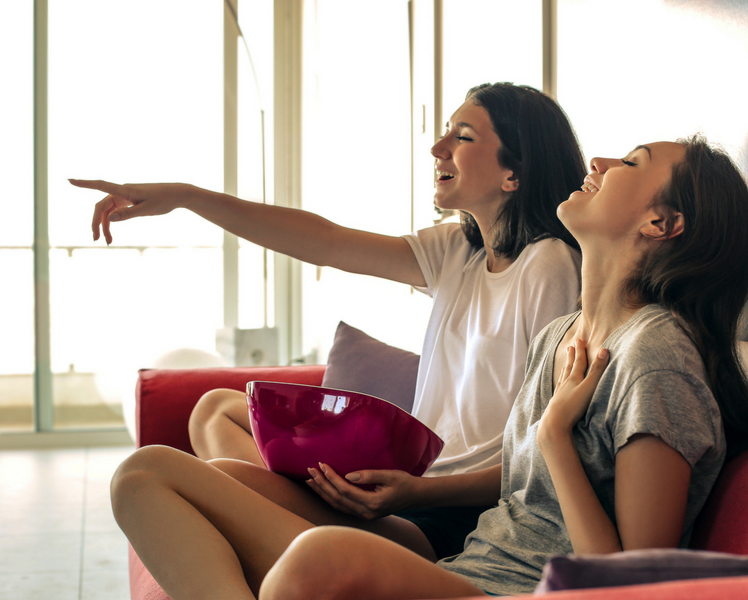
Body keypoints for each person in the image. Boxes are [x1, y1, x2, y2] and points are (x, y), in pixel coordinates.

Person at [109, 136, 748, 600]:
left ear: (662, 223)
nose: (600, 162)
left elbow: (631, 586)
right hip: (464, 568)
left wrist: (554, 436)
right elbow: (325, 238)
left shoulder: (656, 356)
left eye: (630, 163)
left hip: (516, 591)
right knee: (146, 474)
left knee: (321, 557)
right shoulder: (563, 333)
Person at [72, 82, 586, 561]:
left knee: (179, 479)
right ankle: (294, 550)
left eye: (463, 135)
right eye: (447, 130)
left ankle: (295, 553)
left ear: (513, 173)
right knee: (216, 411)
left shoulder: (549, 264)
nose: (438, 147)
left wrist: (414, 492)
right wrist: (187, 198)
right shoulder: (459, 251)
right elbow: (324, 240)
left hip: (454, 516)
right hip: (406, 490)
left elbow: (541, 452)